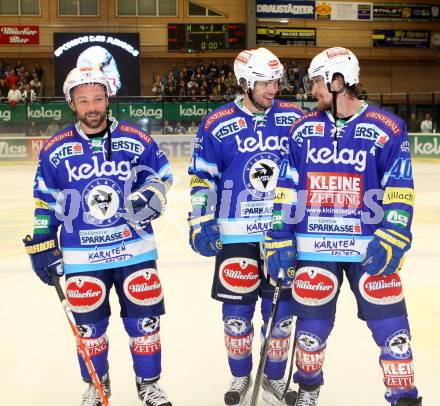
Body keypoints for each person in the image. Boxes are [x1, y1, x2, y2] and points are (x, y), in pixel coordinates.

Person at [265, 47, 422, 406]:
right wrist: (278, 236)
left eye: (317, 82)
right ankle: (308, 388)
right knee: (311, 329)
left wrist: (394, 234)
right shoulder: (301, 131)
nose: (312, 90)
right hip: (313, 245)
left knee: (392, 327)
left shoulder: (387, 128)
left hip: (369, 245)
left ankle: (404, 397)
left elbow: (400, 188)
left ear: (338, 81)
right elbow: (287, 189)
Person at [23, 67, 173, 406]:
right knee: (89, 330)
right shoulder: (56, 148)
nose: (92, 107)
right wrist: (44, 240)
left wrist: (153, 194)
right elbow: (45, 201)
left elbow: (161, 176)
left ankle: (148, 383)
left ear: (108, 100)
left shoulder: (136, 139)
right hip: (81, 256)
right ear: (72, 105)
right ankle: (97, 385)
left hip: (134, 250)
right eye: (83, 101)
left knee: (145, 323)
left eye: (98, 99)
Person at [187, 48, 304, 405]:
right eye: (265, 82)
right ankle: (240, 376)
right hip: (235, 234)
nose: (273, 89)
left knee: (281, 316)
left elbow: (308, 172)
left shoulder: (295, 118)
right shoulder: (217, 122)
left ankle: (272, 380)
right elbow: (201, 178)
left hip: (281, 235)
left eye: (276, 81)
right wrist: (201, 218)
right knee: (236, 318)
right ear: (244, 83)